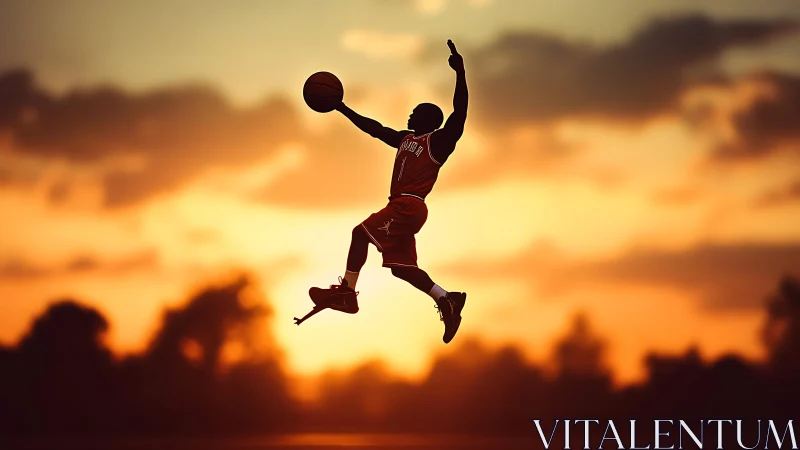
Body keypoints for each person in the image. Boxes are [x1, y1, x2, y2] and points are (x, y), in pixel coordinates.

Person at [309, 39, 468, 344]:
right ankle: (446, 298)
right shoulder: (405, 139)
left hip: (408, 207)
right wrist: (341, 107)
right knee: (401, 269)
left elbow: (459, 112)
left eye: (415, 113)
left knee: (359, 233)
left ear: (429, 121)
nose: (409, 116)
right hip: (402, 209)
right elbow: (374, 128)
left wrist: (460, 73)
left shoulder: (439, 142)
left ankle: (347, 293)